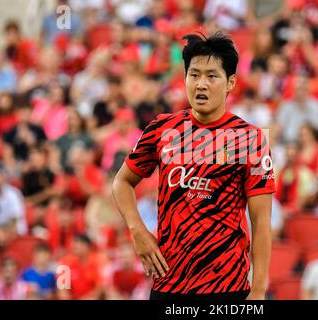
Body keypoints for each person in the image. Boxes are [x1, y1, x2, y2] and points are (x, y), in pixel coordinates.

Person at [112, 32, 276, 300]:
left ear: (230, 82)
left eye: (212, 76)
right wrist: (138, 231)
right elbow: (121, 182)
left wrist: (258, 290)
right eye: (194, 74)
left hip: (227, 285)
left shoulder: (251, 139)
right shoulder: (162, 128)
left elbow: (261, 222)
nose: (201, 84)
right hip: (168, 284)